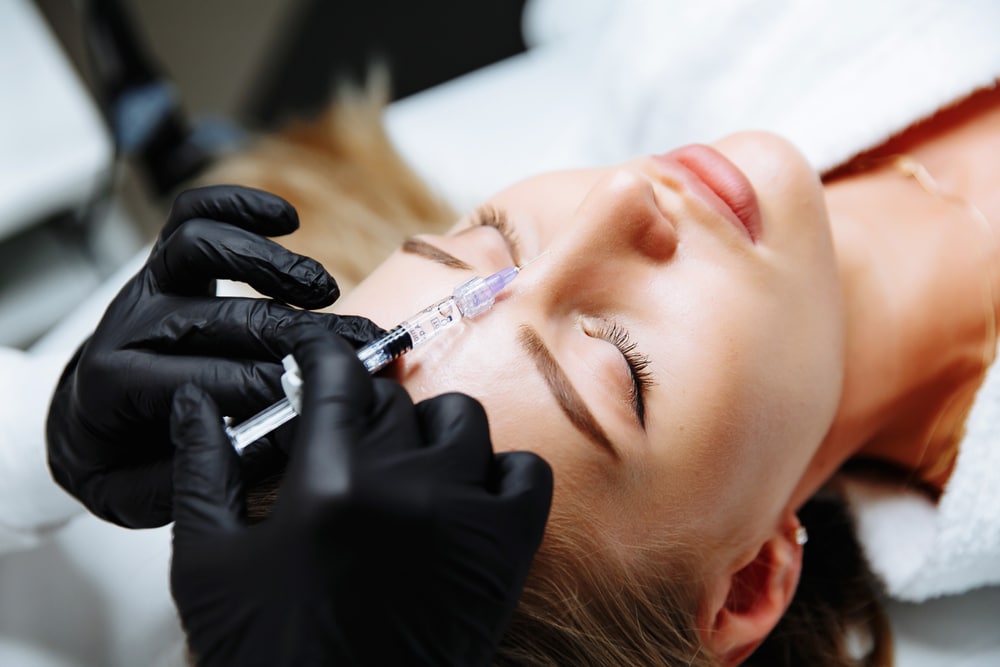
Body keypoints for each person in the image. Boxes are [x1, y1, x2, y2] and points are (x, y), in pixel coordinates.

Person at [196, 7, 1000, 662]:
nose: (622, 194)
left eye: (493, 239)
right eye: (621, 362)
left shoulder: (689, 38)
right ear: (751, 577)